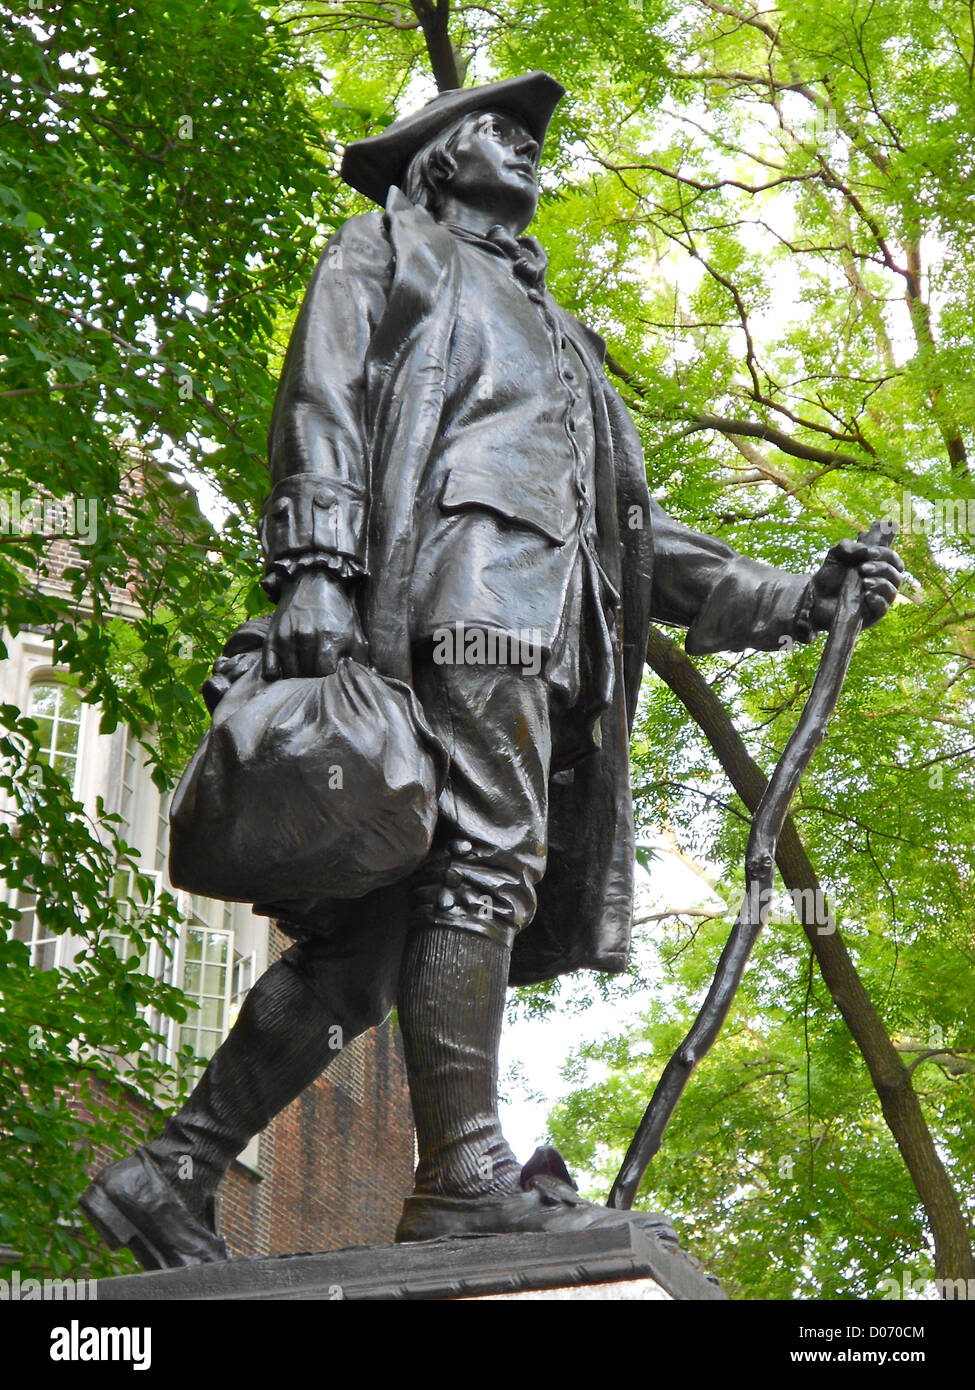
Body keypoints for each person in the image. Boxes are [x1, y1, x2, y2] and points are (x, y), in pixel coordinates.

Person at [81, 72, 903, 1268]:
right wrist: (313, 567)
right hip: (456, 602)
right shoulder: (387, 250)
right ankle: (466, 1172)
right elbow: (320, 402)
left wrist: (795, 594)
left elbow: (633, 532)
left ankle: (173, 1168)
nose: (524, 148)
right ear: (432, 157)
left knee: (369, 951)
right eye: (496, 130)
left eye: (532, 141)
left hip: (552, 632)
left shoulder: (565, 339)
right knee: (486, 863)